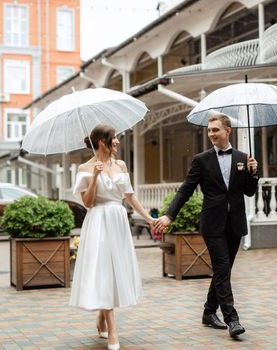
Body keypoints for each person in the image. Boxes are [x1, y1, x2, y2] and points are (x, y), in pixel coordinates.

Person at [154, 113, 259, 338]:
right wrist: (169, 216)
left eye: (215, 130)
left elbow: (249, 191)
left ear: (228, 130)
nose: (211, 134)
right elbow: (186, 189)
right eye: (209, 130)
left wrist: (253, 172)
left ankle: (208, 312)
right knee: (222, 268)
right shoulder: (202, 160)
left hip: (235, 223)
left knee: (224, 270)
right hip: (212, 225)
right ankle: (232, 320)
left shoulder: (242, 157)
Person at [69, 124, 154, 350]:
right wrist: (95, 177)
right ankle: (113, 331)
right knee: (103, 271)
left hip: (118, 221)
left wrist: (148, 218)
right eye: (113, 138)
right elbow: (87, 203)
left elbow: (130, 196)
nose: (117, 142)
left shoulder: (121, 165)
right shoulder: (85, 169)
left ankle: (101, 316)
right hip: (98, 221)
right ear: (101, 142)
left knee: (115, 271)